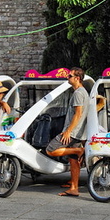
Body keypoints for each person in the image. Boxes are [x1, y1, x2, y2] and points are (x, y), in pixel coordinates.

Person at [46, 67, 89, 197]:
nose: (67, 77)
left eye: (69, 76)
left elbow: (78, 114)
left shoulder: (78, 93)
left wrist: (68, 131)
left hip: (73, 132)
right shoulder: (82, 92)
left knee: (50, 149)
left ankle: (79, 151)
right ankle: (74, 188)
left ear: (77, 78)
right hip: (78, 132)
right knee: (73, 161)